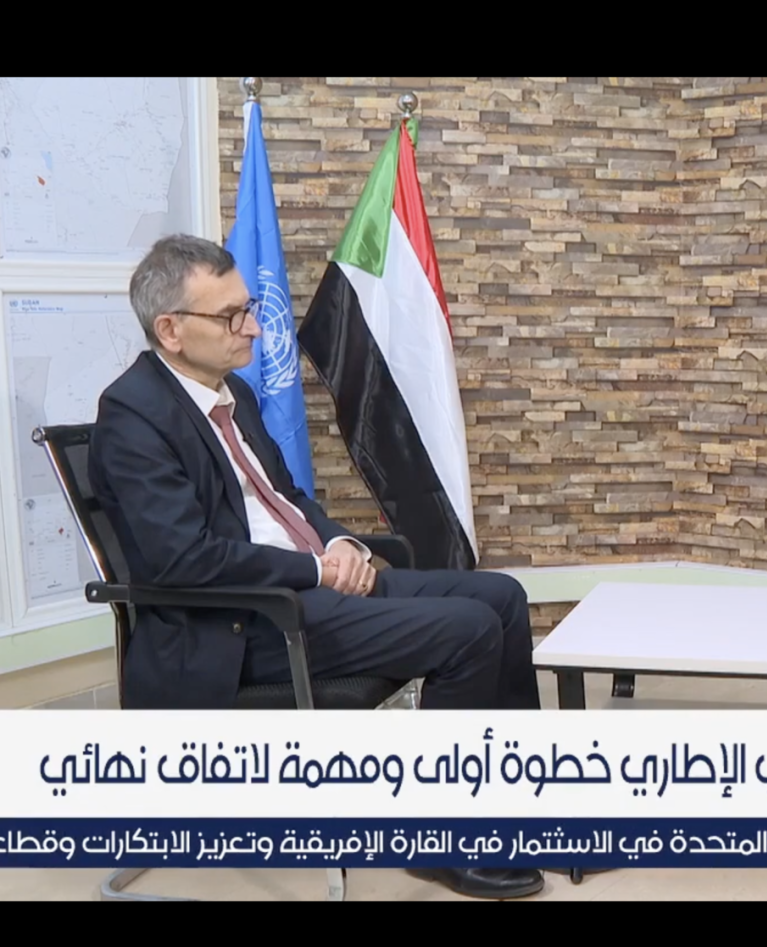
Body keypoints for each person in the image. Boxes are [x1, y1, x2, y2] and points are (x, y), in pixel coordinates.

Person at [90, 234, 544, 901]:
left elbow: (289, 500)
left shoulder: (231, 394)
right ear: (171, 330)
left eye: (248, 309)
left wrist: (341, 544)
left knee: (501, 595)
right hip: (241, 626)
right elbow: (185, 559)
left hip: (304, 589)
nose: (253, 327)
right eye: (231, 316)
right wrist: (314, 571)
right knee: (469, 629)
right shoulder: (133, 416)